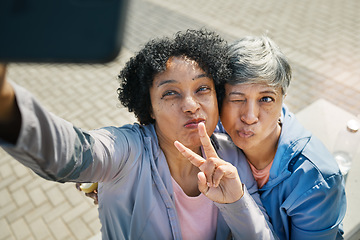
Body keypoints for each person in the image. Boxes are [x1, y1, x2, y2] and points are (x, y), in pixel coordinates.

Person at [0, 29, 276, 239]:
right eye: (170, 93)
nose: (191, 105)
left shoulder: (231, 158)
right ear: (150, 108)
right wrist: (5, 102)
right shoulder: (127, 152)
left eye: (202, 89)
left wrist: (236, 203)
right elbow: (74, 153)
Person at [217, 36, 346, 239]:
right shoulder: (212, 134)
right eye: (237, 99)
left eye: (266, 99)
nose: (249, 117)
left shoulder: (315, 178)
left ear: (283, 99)